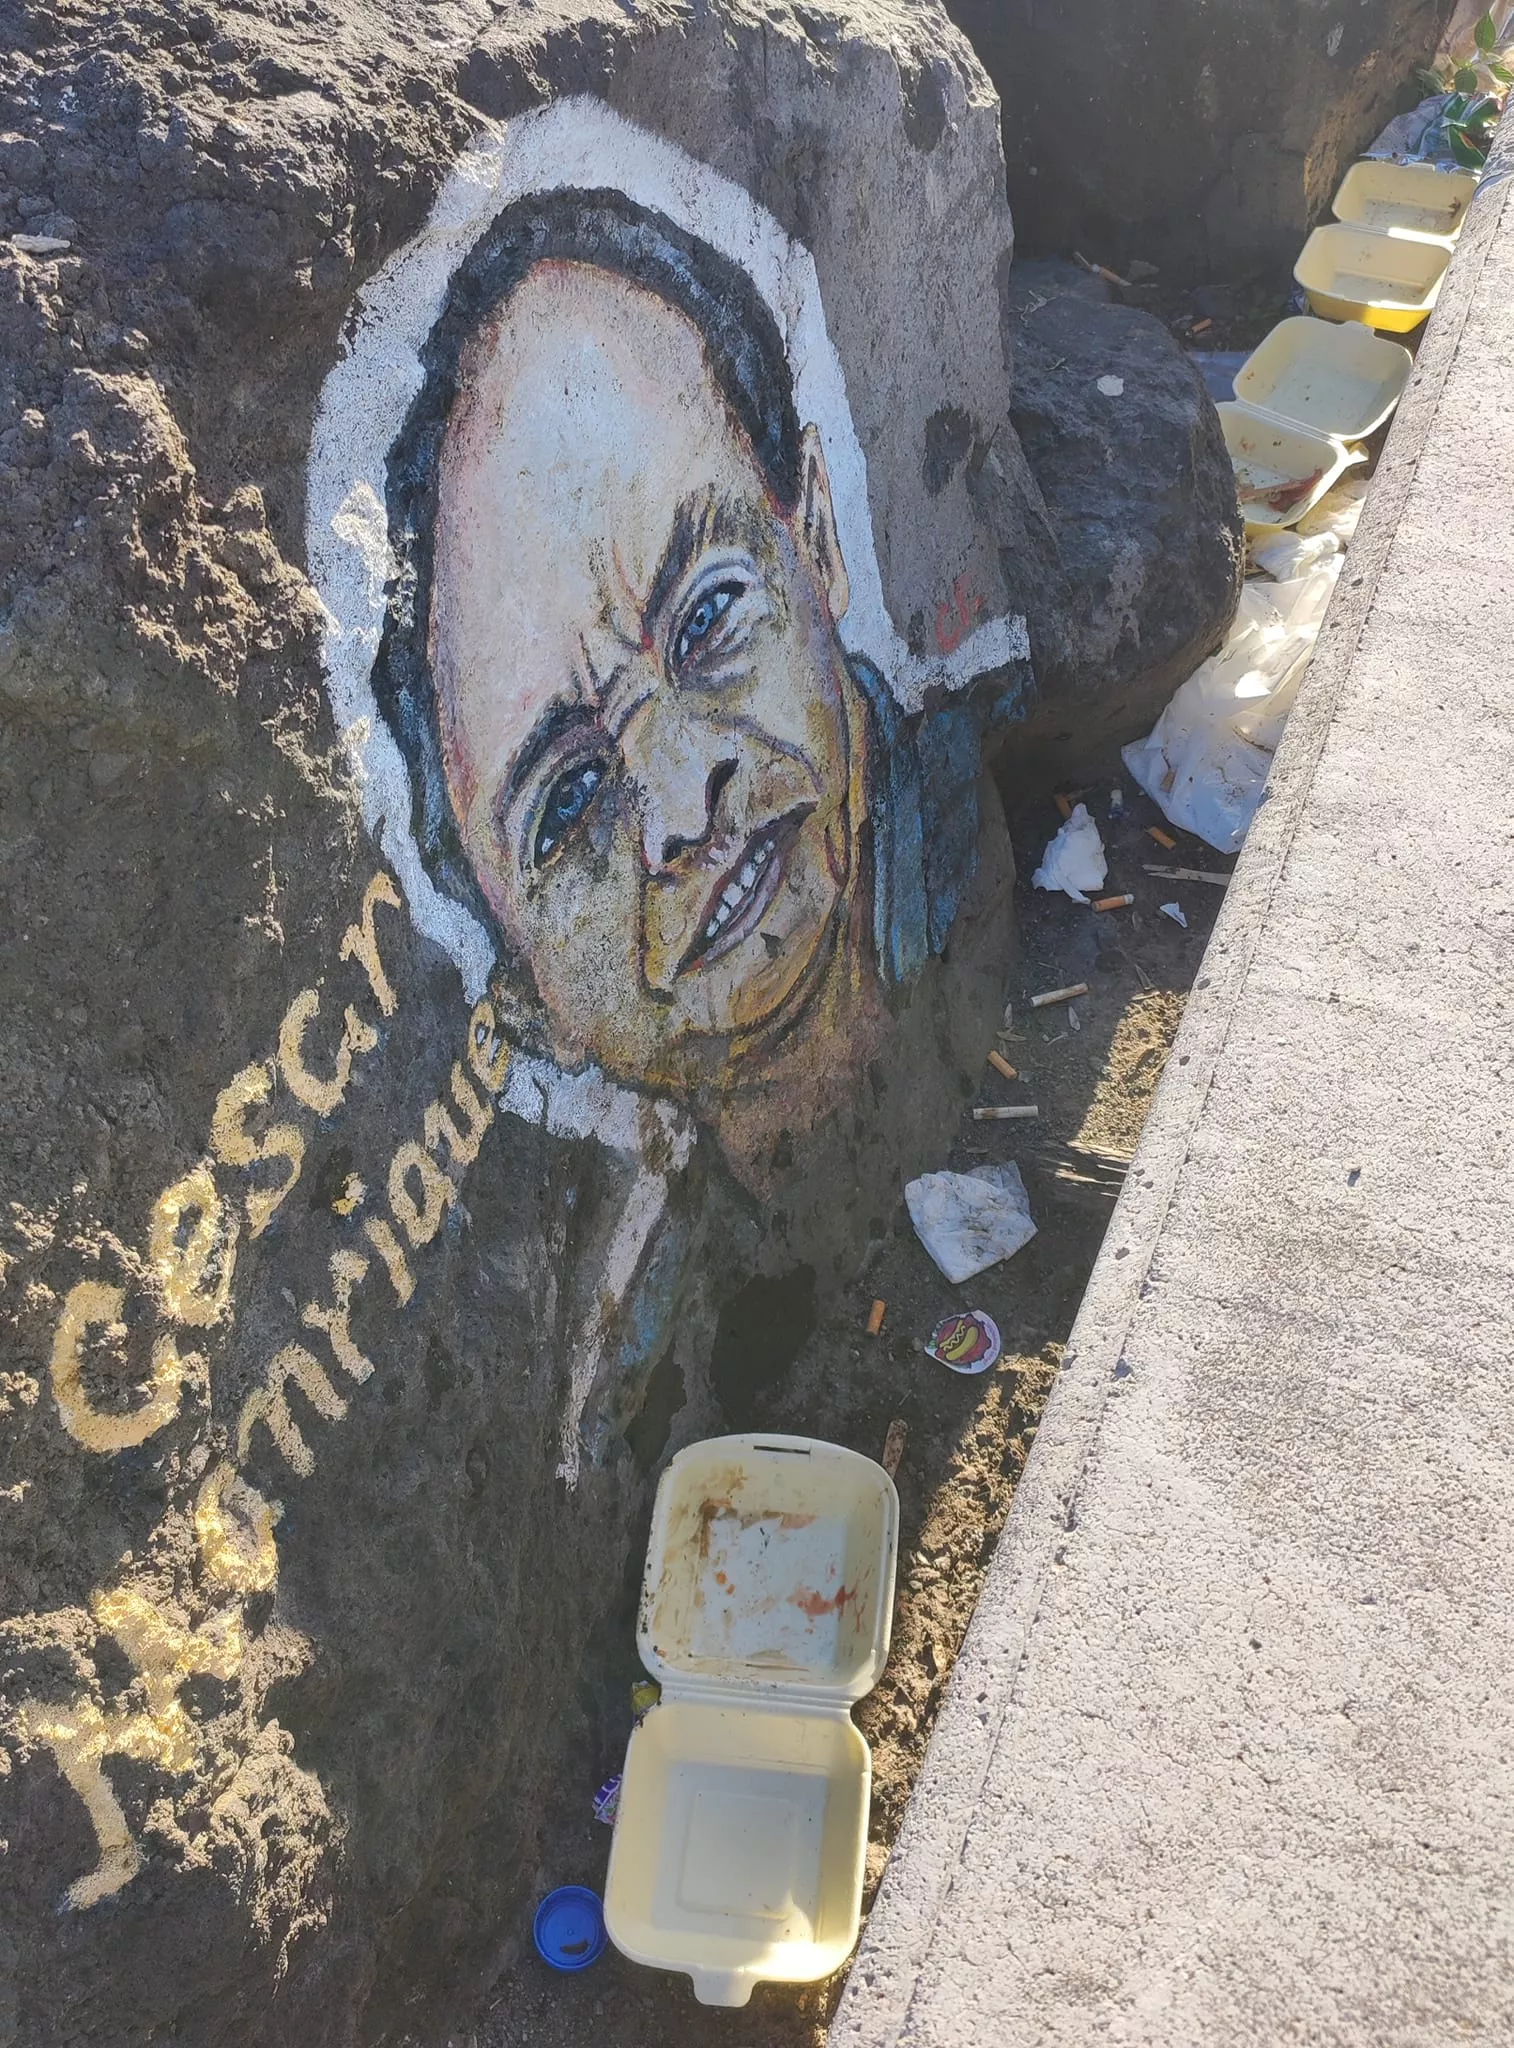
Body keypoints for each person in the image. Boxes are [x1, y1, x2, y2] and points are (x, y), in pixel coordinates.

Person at [371, 189, 985, 1186]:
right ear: (522, 994)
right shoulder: (586, 1284)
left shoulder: (972, 835)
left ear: (816, 540)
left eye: (704, 619)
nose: (679, 806)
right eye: (565, 801)